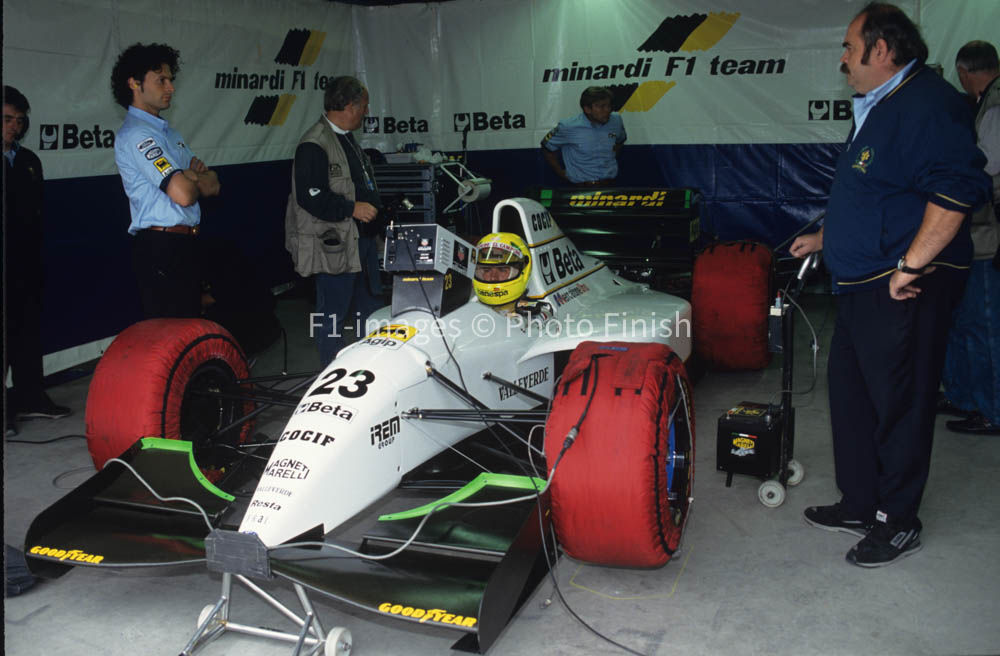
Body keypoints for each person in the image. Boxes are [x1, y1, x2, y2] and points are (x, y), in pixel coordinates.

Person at [789, 3, 991, 567]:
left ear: (881, 50)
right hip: (861, 281)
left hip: (901, 285)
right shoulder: (879, 105)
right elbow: (879, 191)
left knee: (900, 403)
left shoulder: (929, 103)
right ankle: (861, 501)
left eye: (850, 48)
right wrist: (828, 237)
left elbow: (957, 188)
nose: (843, 60)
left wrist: (913, 263)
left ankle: (898, 521)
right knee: (852, 396)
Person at [111, 42, 221, 319]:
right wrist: (190, 177)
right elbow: (184, 194)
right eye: (161, 80)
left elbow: (213, 184)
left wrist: (191, 177)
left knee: (194, 328)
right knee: (173, 334)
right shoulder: (138, 135)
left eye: (171, 80)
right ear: (134, 83)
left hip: (187, 243)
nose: (170, 87)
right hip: (161, 247)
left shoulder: (170, 134)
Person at [285, 76, 383, 365]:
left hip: (362, 242)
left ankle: (372, 370)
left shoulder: (347, 138)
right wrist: (352, 209)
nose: (366, 112)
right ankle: (331, 372)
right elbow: (310, 197)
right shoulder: (314, 144)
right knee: (331, 317)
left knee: (370, 312)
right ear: (349, 106)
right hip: (335, 248)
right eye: (364, 106)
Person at [939, 40, 1000, 435]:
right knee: (964, 324)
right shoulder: (986, 102)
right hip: (975, 236)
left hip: (987, 237)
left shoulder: (994, 107)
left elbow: (984, 166)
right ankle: (964, 397)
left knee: (985, 328)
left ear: (964, 72)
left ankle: (993, 410)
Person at [4, 86, 72, 436]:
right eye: (6, 119)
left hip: (25, 262)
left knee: (28, 333)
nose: (14, 127)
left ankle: (30, 397)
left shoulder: (29, 160)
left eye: (19, 121)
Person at [541, 86, 626, 185]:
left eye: (609, 105)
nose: (607, 110)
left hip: (610, 185)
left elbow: (620, 141)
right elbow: (547, 147)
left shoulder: (616, 120)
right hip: (580, 187)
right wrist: (562, 173)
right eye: (602, 106)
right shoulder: (568, 126)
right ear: (587, 109)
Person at [472, 232, 533, 310]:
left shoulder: (533, 312)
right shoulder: (467, 306)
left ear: (524, 270)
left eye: (502, 270)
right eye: (486, 270)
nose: (493, 277)